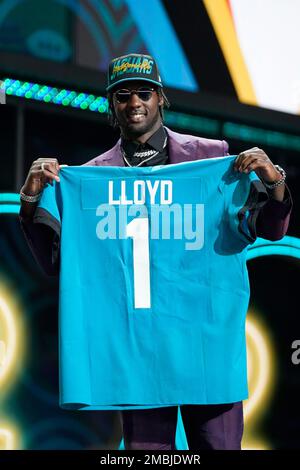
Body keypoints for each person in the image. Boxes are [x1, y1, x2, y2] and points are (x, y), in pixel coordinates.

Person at [19, 53, 292, 450]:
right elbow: (56, 262)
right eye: (123, 95)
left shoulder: (213, 159)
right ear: (112, 105)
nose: (135, 103)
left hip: (205, 346)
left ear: (160, 97)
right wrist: (30, 201)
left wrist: (275, 181)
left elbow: (268, 228)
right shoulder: (92, 178)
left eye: (144, 92)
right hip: (139, 354)